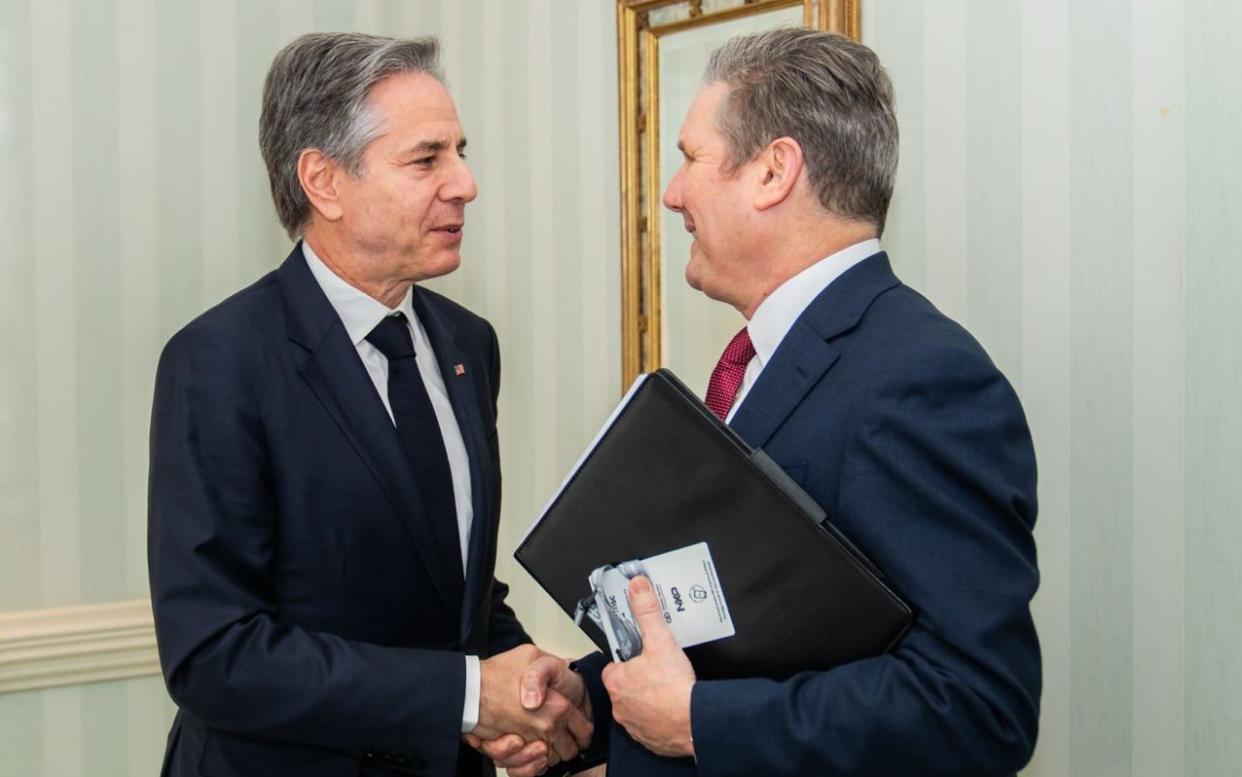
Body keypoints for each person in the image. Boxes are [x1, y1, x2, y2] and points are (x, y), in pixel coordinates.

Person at [483, 28, 1041, 777]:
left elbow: (977, 707)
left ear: (774, 171)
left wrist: (697, 721)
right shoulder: (767, 357)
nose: (672, 193)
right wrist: (589, 699)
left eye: (689, 157)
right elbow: (761, 626)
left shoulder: (921, 376)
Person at [147, 33, 590, 777]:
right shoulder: (220, 360)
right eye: (427, 159)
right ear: (324, 181)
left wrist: (525, 676)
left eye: (461, 150)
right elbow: (214, 653)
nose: (466, 183)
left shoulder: (467, 345)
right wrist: (468, 694)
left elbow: (448, 586)